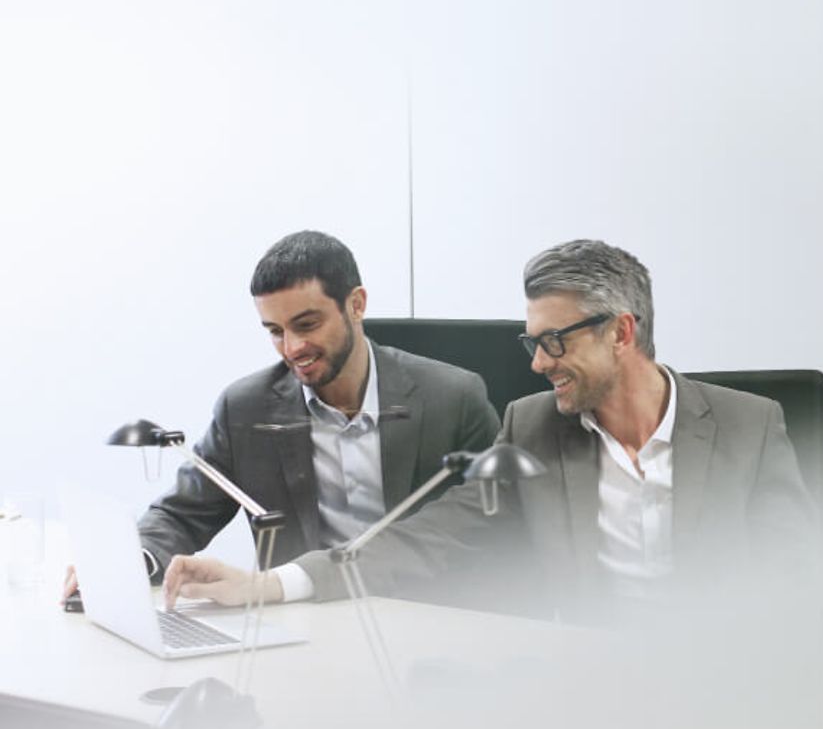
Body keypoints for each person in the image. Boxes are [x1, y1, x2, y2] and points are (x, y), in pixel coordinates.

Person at [163, 239, 817, 622]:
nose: (535, 364)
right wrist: (270, 585)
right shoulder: (530, 429)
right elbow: (421, 536)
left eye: (554, 342)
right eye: (531, 342)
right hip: (584, 701)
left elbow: (801, 588)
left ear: (621, 333)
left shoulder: (749, 426)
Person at [62, 230, 501, 602]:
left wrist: (278, 583)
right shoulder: (246, 407)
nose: (292, 348)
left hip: (425, 618)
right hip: (302, 631)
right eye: (275, 332)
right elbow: (183, 512)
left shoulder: (454, 398)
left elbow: (476, 523)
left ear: (356, 304)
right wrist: (134, 561)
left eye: (307, 325)